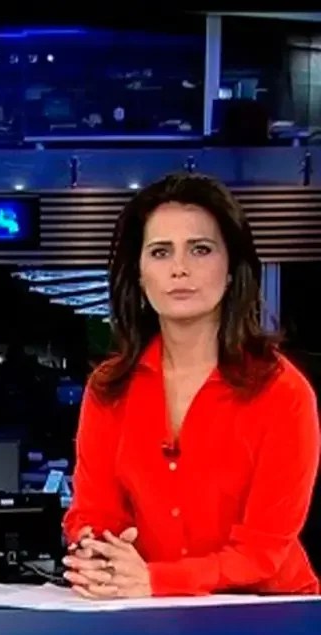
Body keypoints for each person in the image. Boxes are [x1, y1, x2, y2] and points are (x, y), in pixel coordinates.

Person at [63, 172, 320, 599]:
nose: (179, 268)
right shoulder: (109, 388)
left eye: (200, 249)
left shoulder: (283, 393)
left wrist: (157, 580)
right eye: (160, 252)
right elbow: (95, 510)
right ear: (140, 275)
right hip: (146, 611)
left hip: (267, 614)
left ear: (232, 269)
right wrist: (96, 551)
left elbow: (262, 552)